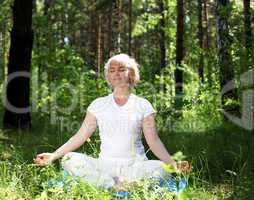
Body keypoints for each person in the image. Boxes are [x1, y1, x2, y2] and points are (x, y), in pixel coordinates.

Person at [33, 53, 190, 190]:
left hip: (135, 167)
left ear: (132, 74)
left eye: (122, 69)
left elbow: (154, 141)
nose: (116, 73)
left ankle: (119, 184)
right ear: (108, 76)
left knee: (163, 169)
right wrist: (54, 155)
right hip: (104, 167)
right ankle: (112, 185)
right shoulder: (98, 104)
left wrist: (173, 164)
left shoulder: (143, 105)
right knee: (68, 159)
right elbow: (79, 137)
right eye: (112, 70)